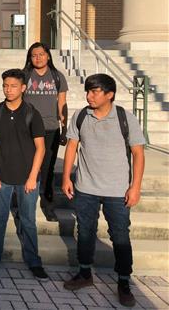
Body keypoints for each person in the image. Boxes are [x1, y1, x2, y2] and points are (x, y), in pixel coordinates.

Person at [61, 74, 145, 308]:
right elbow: (72, 148)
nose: (90, 95)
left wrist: (135, 187)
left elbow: (138, 153)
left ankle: (124, 281)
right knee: (85, 231)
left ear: (109, 94)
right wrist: (67, 177)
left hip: (117, 190)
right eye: (88, 91)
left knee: (119, 235)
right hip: (85, 187)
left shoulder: (124, 118)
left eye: (95, 91)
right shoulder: (80, 116)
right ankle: (85, 273)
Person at [0, 69, 48, 281]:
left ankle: (34, 261)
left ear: (23, 88)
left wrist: (33, 177)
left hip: (28, 178)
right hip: (1, 176)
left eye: (13, 86)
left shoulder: (31, 114)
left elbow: (41, 148)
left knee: (28, 220)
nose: (8, 90)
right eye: (5, 85)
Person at [23, 42, 68, 222]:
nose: (38, 58)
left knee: (48, 169)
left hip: (50, 129)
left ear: (48, 56)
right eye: (34, 55)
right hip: (28, 130)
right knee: (26, 167)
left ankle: (48, 205)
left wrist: (64, 128)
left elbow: (62, 104)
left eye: (41, 54)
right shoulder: (25, 75)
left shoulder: (57, 77)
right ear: (30, 58)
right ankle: (24, 204)